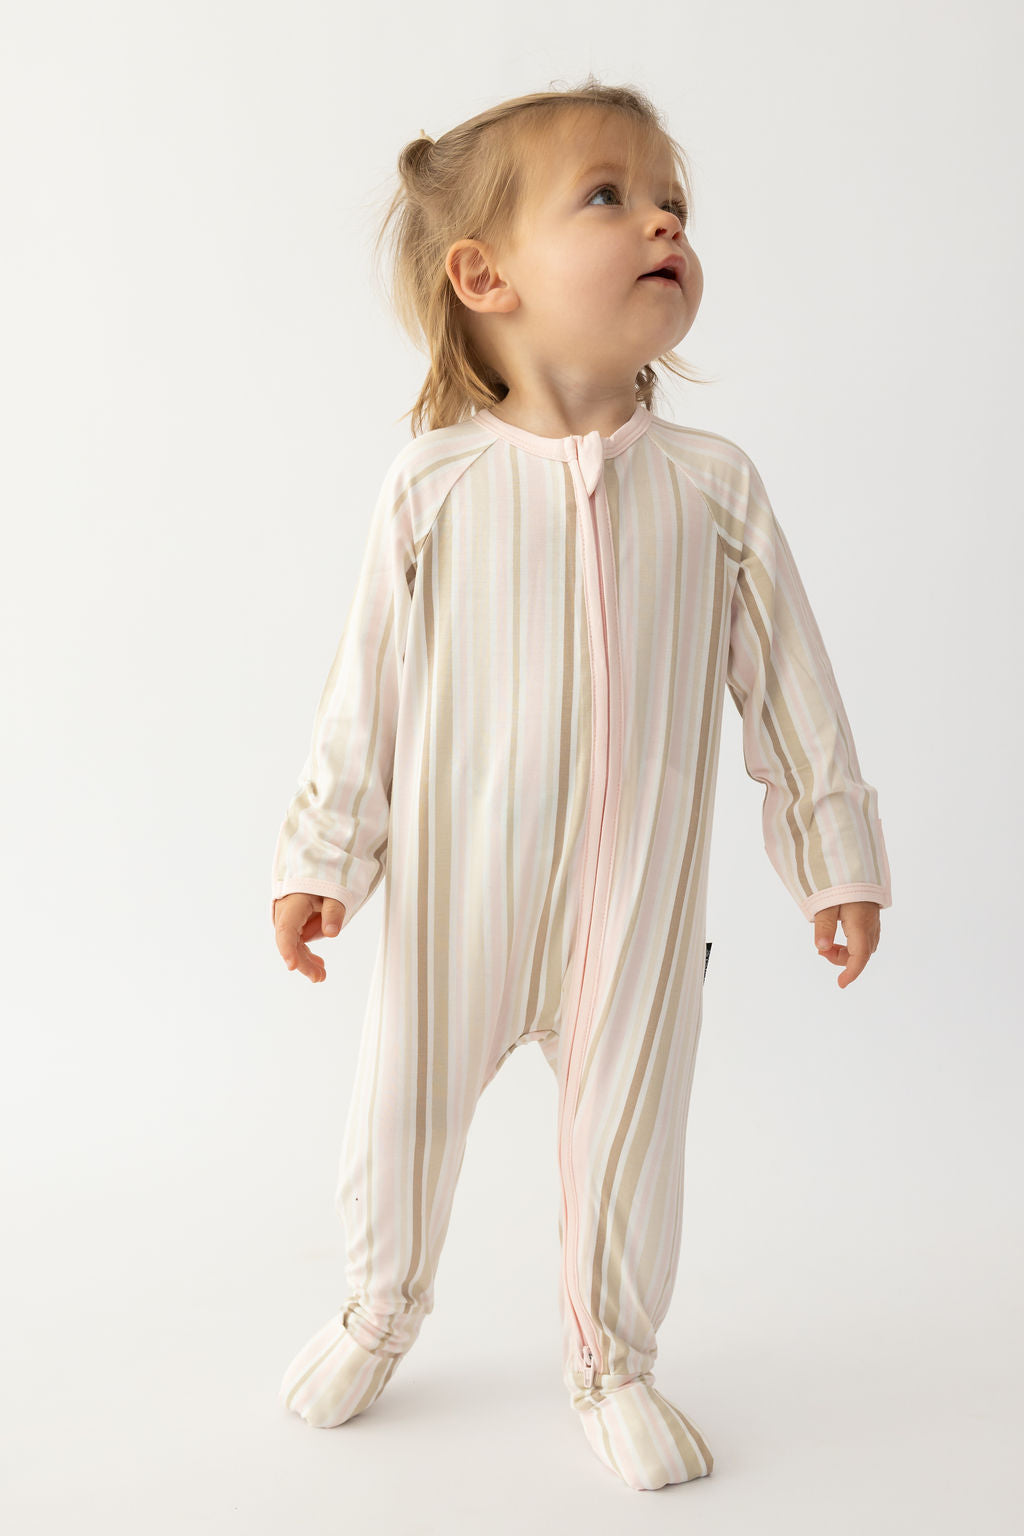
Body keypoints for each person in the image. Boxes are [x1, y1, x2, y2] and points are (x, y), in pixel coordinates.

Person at [269, 79, 892, 1493]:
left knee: (631, 1137)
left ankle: (614, 1363)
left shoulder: (715, 487)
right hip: (457, 903)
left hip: (640, 904)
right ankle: (377, 1311)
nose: (664, 219)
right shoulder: (429, 486)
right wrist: (322, 857)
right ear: (483, 276)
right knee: (398, 1114)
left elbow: (794, 692)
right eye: (610, 195)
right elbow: (364, 693)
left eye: (674, 200)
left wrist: (834, 857)